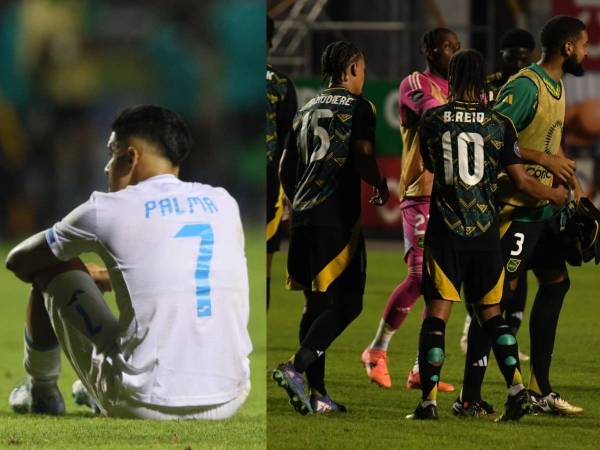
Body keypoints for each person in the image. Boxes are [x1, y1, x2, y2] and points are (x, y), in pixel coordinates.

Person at [6, 105, 252, 420]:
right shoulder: (223, 202)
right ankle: (92, 385)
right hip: (228, 398)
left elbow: (18, 262)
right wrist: (110, 276)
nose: (107, 166)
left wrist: (80, 267)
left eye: (112, 153)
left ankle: (41, 390)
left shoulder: (106, 210)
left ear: (130, 157)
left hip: (144, 401)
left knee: (50, 264)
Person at [406, 49, 567, 421]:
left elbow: (430, 166)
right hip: (485, 235)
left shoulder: (434, 119)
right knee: (494, 315)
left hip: (446, 232)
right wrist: (556, 195)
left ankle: (428, 403)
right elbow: (521, 180)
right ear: (481, 81)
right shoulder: (499, 124)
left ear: (454, 76)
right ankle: (516, 391)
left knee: (437, 316)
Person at [459, 15, 588, 417]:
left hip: (541, 207)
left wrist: (571, 181)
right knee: (496, 296)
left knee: (556, 281)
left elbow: (547, 141)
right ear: (567, 47)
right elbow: (491, 136)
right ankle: (469, 397)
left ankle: (540, 388)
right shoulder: (525, 85)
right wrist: (545, 161)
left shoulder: (557, 86)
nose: (586, 51)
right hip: (513, 210)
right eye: (583, 44)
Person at [272, 41, 389, 415]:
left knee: (316, 302)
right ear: (352, 68)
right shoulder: (360, 106)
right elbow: (363, 155)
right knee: (349, 303)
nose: (364, 77)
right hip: (337, 221)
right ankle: (296, 367)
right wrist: (380, 184)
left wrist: (297, 200)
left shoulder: (305, 109)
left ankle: (317, 393)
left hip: (304, 217)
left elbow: (284, 166)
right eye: (364, 69)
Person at [361, 27, 458, 392]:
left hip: (452, 196)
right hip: (421, 190)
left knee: (440, 285)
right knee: (419, 277)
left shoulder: (464, 91)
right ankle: (377, 350)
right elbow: (436, 117)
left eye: (456, 48)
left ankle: (421, 368)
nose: (451, 52)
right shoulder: (415, 83)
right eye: (446, 46)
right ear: (429, 50)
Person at [460, 28, 536, 362]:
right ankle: (476, 326)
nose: (518, 63)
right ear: (502, 54)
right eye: (512, 56)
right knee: (495, 269)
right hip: (493, 188)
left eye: (524, 57)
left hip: (521, 185)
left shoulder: (533, 86)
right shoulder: (488, 87)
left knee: (519, 272)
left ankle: (500, 336)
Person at [266, 15, 297, 310]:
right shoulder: (281, 84)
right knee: (264, 266)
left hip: (223, 186)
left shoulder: (220, 78)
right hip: (269, 187)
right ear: (271, 42)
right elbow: (290, 143)